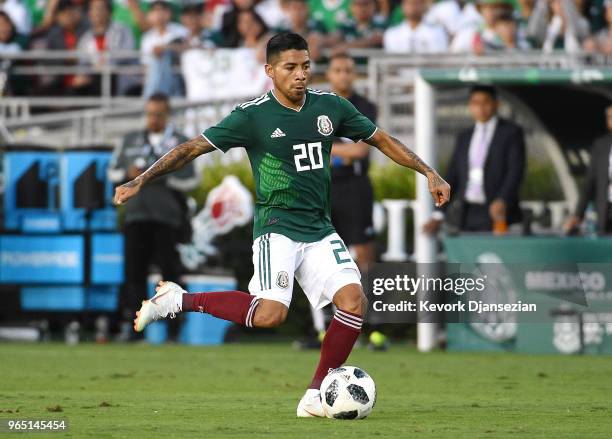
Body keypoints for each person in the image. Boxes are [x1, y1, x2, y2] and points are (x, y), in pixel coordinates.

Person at [113, 33, 450, 417]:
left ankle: (313, 396)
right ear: (270, 71)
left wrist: (429, 172)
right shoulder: (252, 116)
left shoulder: (331, 107)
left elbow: (380, 139)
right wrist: (141, 179)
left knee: (353, 301)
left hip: (319, 227)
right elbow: (191, 148)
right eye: (290, 68)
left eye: (306, 66)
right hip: (277, 226)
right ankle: (177, 300)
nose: (300, 75)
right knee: (271, 314)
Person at [108, 92, 198, 340]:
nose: (153, 118)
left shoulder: (179, 141)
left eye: (158, 114)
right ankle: (134, 329)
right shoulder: (130, 139)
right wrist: (128, 172)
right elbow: (111, 172)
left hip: (167, 218)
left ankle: (174, 329)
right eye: (149, 113)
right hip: (136, 217)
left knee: (170, 276)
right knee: (133, 275)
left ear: (168, 114)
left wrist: (157, 173)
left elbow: (193, 179)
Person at [423, 85, 525, 234]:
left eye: (485, 102)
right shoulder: (464, 137)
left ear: (496, 104)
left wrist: (503, 199)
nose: (481, 108)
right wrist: (438, 213)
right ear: (470, 106)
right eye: (475, 103)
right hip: (468, 213)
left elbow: (515, 171)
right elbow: (453, 175)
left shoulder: (511, 133)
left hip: (498, 212)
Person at [563, 105, 612, 235]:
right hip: (606, 214)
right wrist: (577, 214)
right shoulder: (601, 145)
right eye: (609, 118)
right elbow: (589, 183)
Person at [140, 0, 188, 97]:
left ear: (169, 13)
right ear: (149, 15)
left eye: (163, 10)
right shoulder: (147, 37)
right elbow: (145, 66)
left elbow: (187, 49)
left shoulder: (181, 31)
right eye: (155, 11)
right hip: (154, 79)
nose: (159, 14)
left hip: (177, 75)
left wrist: (166, 48)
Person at [383, 0, 449, 53]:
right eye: (409, 3)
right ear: (403, 6)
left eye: (417, 3)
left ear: (423, 5)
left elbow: (439, 60)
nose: (413, 6)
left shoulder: (437, 32)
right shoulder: (391, 33)